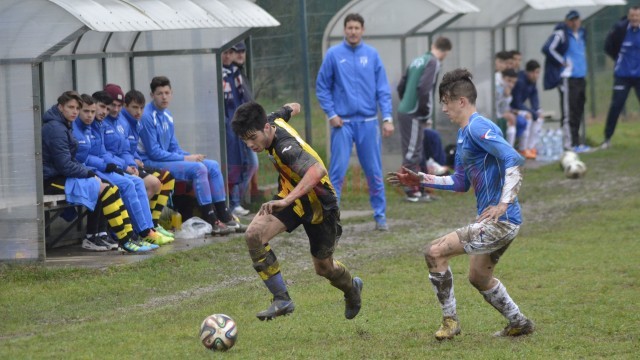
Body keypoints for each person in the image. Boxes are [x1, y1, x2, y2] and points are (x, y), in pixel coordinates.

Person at [387, 69, 534, 340]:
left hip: (500, 221)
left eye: (446, 102)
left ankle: (450, 322)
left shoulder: (479, 127)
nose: (443, 108)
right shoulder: (466, 134)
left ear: (462, 101)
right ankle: (519, 322)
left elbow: (514, 158)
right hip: (497, 220)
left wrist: (503, 203)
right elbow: (459, 182)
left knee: (434, 252)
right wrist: (420, 178)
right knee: (478, 277)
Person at [230, 101, 363, 321]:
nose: (250, 144)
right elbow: (293, 107)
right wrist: (293, 107)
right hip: (292, 196)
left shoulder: (285, 147)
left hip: (320, 204)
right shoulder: (272, 119)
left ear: (265, 128)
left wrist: (288, 199)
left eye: (252, 138)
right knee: (254, 235)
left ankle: (352, 289)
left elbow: (317, 170)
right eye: (246, 140)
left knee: (324, 268)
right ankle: (282, 299)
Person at [41, 91, 149, 253]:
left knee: (109, 188)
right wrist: (89, 173)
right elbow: (64, 165)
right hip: (51, 180)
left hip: (63, 175)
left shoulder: (63, 124)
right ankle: (124, 240)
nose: (74, 111)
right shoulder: (55, 128)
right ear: (60, 107)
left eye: (77, 108)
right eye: (71, 107)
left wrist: (90, 173)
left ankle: (128, 236)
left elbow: (72, 160)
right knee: (103, 188)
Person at [316, 13, 394, 231]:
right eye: (349, 27)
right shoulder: (333, 54)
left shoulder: (372, 55)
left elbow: (383, 90)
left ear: (362, 30)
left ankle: (380, 217)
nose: (352, 31)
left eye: (356, 28)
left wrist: (387, 118)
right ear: (344, 30)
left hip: (369, 123)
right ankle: (331, 219)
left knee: (374, 172)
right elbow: (322, 87)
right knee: (337, 172)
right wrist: (331, 114)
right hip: (343, 124)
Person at [137, 76, 244, 235]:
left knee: (212, 165)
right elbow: (154, 152)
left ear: (172, 93)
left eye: (167, 92)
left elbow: (174, 147)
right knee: (198, 169)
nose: (164, 97)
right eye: (160, 93)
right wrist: (187, 159)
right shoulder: (147, 116)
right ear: (152, 95)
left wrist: (191, 155)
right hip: (151, 161)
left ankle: (224, 213)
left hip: (166, 158)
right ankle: (210, 218)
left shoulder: (167, 115)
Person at [72, 94, 162, 250]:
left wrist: (121, 165)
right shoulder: (79, 127)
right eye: (99, 108)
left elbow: (106, 152)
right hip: (88, 171)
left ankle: (147, 229)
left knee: (137, 182)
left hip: (100, 168)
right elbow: (83, 157)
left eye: (101, 109)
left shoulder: (97, 125)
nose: (102, 112)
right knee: (122, 185)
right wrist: (112, 165)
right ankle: (134, 234)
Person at [98, 85, 173, 246]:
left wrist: (131, 163)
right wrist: (126, 165)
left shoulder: (122, 122)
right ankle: (133, 231)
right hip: (106, 168)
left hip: (121, 165)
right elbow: (101, 153)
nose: (114, 109)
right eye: (111, 105)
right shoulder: (103, 123)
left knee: (162, 179)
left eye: (118, 105)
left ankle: (148, 228)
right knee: (135, 184)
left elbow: (126, 149)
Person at [396, 36, 452, 202]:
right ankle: (411, 191)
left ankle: (420, 189)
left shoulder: (417, 60)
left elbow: (401, 86)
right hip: (415, 112)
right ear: (444, 52)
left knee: (418, 151)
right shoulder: (433, 62)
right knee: (412, 152)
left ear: (433, 45)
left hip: (408, 109)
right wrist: (424, 112)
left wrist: (406, 101)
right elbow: (425, 89)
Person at [121, 89, 176, 239]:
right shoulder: (122, 122)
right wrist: (132, 161)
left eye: (141, 108)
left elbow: (132, 148)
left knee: (167, 178)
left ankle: (152, 223)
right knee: (153, 183)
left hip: (133, 163)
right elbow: (119, 149)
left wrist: (136, 158)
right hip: (123, 165)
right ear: (125, 106)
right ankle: (136, 225)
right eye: (134, 107)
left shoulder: (136, 122)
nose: (138, 111)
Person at [542, 10, 590, 153]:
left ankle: (577, 142)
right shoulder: (561, 34)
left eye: (577, 19)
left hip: (580, 77)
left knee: (578, 110)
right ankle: (569, 144)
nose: (574, 22)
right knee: (569, 112)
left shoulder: (582, 33)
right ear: (566, 21)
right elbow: (547, 48)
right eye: (571, 20)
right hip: (568, 79)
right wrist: (562, 61)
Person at [223, 44, 258, 217]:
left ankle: (235, 200)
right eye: (229, 52)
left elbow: (247, 99)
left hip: (243, 127)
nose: (236, 55)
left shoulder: (237, 74)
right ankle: (232, 202)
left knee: (250, 163)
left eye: (241, 51)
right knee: (236, 164)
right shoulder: (221, 74)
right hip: (231, 129)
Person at [601, 6, 640, 149]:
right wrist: (618, 60)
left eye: (637, 16)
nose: (635, 19)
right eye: (632, 16)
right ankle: (607, 139)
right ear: (629, 16)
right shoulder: (620, 29)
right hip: (622, 75)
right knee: (616, 105)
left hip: (639, 76)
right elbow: (608, 46)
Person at [511, 60, 543, 160]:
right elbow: (517, 103)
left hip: (519, 107)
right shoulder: (520, 81)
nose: (536, 75)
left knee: (539, 116)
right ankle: (522, 148)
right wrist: (532, 112)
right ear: (528, 72)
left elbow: (534, 96)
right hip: (512, 108)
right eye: (535, 72)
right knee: (528, 117)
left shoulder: (532, 81)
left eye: (538, 72)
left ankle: (531, 147)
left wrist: (536, 110)